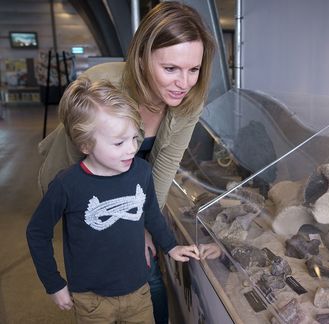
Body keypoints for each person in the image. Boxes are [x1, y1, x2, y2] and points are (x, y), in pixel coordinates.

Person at [36, 2, 221, 323]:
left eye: (194, 69)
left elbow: (165, 164)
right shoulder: (100, 87)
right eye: (171, 68)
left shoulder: (190, 96)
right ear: (141, 57)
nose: (184, 82)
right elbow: (65, 176)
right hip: (83, 182)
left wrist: (143, 227)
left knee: (146, 270)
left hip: (136, 179)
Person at [27, 77, 203, 323]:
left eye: (134, 138)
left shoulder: (141, 172)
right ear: (85, 144)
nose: (131, 149)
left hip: (139, 293)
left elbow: (151, 213)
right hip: (91, 301)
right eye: (119, 142)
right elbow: (37, 232)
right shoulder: (67, 185)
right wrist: (53, 283)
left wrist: (171, 246)